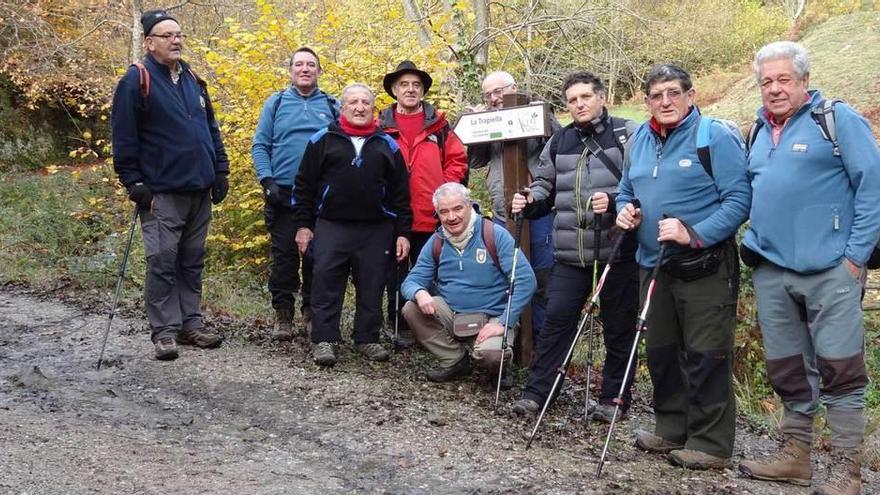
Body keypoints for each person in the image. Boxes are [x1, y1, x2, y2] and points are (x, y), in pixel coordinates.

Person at [737, 41, 880, 495]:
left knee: (841, 369)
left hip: (831, 270)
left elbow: (873, 188)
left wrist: (855, 259)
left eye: (784, 80)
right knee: (788, 368)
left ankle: (846, 471)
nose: (775, 89)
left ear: (803, 81)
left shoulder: (837, 121)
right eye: (767, 81)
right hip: (772, 268)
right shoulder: (757, 131)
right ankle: (795, 456)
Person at [614, 64, 750, 470]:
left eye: (674, 93)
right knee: (661, 351)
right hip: (652, 264)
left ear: (691, 95)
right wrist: (626, 211)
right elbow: (627, 189)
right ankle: (671, 427)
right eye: (657, 95)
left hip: (704, 265)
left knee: (707, 354)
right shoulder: (639, 138)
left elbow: (739, 199)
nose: (666, 102)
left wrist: (694, 233)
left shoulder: (715, 137)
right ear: (647, 102)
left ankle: (710, 443)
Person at [509, 71, 640, 423]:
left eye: (585, 97)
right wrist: (529, 200)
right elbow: (545, 186)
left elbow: (644, 184)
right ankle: (538, 393)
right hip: (570, 252)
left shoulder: (628, 134)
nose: (579, 104)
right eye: (572, 100)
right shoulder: (560, 140)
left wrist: (613, 201)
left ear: (601, 98)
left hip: (616, 251)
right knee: (555, 323)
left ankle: (614, 398)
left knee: (619, 327)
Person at [110, 10, 229, 361]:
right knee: (162, 261)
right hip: (161, 192)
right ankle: (164, 331)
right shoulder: (137, 80)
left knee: (192, 261)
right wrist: (133, 182)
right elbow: (123, 137)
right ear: (149, 42)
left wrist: (220, 170)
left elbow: (211, 129)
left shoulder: (193, 79)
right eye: (166, 35)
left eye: (179, 35)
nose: (176, 40)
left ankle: (190, 323)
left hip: (199, 190)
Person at [292, 83, 412, 367]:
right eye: (354, 102)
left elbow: (401, 194)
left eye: (366, 103)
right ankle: (324, 339)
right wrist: (303, 225)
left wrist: (403, 232)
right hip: (332, 224)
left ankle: (367, 338)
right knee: (325, 282)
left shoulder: (387, 144)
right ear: (342, 107)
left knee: (372, 284)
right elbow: (303, 184)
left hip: (376, 228)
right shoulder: (322, 139)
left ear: (374, 109)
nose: (360, 108)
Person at [400, 182, 536, 383]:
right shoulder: (437, 241)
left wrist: (503, 321)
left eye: (457, 208)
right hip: (452, 314)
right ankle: (455, 360)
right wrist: (419, 292)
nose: (451, 217)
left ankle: (496, 369)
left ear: (469, 205)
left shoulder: (494, 235)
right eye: (444, 211)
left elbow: (526, 280)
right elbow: (412, 280)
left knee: (492, 356)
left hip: (492, 317)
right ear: (437, 214)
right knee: (411, 308)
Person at [378, 60, 468, 347]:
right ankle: (400, 328)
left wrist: (444, 191)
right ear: (393, 89)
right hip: (393, 216)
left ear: (423, 91)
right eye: (404, 84)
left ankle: (436, 332)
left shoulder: (439, 126)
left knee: (436, 276)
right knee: (396, 274)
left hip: (434, 216)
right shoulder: (379, 125)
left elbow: (458, 161)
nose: (410, 89)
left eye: (416, 85)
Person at [252, 47, 339, 342]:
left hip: (320, 197)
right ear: (290, 70)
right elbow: (260, 145)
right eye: (299, 64)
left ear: (319, 71)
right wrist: (267, 181)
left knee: (318, 258)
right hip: (282, 194)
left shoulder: (332, 105)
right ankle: (283, 314)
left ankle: (312, 314)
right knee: (284, 258)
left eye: (311, 65)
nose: (305, 69)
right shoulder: (275, 104)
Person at [466, 71, 560, 337]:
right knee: (506, 278)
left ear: (514, 88)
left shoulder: (536, 113)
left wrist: (537, 111)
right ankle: (509, 343)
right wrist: (479, 122)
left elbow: (559, 141)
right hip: (501, 214)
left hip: (538, 214)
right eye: (488, 95)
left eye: (499, 91)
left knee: (541, 279)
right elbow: (475, 162)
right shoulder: (489, 120)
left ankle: (540, 343)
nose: (494, 99)